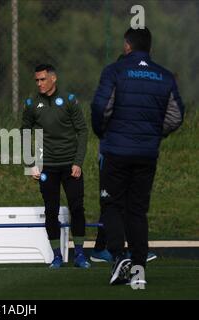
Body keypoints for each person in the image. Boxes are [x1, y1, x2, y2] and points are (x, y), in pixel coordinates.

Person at [91, 27, 184, 285]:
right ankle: (139, 269)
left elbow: (101, 107)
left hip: (116, 151)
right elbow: (176, 116)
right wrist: (153, 133)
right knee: (137, 210)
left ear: (126, 47)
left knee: (111, 204)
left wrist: (103, 132)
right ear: (150, 49)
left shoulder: (114, 71)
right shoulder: (164, 76)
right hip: (146, 153)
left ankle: (119, 257)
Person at [22, 64, 90, 269]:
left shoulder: (69, 100)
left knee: (77, 208)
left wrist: (78, 162)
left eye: (43, 79)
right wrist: (30, 163)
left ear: (53, 79)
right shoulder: (32, 103)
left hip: (70, 166)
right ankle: (57, 256)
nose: (39, 84)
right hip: (47, 167)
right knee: (50, 210)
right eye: (37, 80)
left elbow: (83, 131)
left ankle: (79, 255)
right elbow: (25, 131)